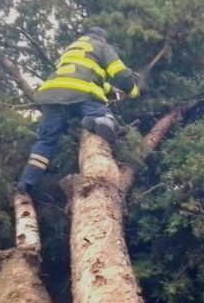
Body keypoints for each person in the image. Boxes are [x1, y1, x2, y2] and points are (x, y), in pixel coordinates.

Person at [17, 26, 140, 193]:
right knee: (104, 115)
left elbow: (83, 74)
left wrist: (111, 91)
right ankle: (97, 121)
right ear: (102, 38)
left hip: (53, 95)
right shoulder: (102, 47)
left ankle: (27, 182)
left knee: (46, 141)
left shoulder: (72, 49)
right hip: (81, 93)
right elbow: (120, 73)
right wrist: (132, 90)